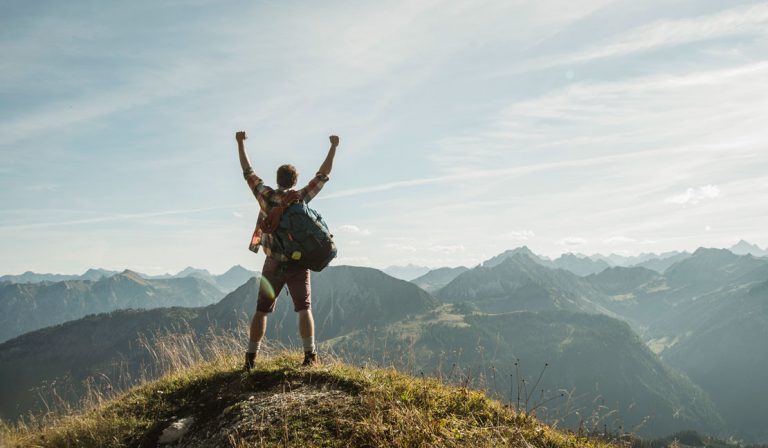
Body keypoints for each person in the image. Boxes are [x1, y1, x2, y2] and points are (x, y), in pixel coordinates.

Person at [236, 130, 339, 369]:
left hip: (272, 263)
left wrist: (241, 142)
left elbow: (247, 171)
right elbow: (322, 176)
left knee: (261, 311)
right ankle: (309, 356)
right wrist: (333, 147)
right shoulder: (299, 199)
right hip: (298, 264)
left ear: (277, 178)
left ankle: (250, 360)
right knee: (304, 309)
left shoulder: (265, 196)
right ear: (294, 181)